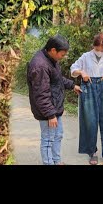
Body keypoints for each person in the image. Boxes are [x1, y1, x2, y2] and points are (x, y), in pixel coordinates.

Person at [70, 33, 103, 165]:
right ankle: (92, 152)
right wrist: (81, 73)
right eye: (97, 49)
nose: (99, 52)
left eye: (102, 50)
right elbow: (73, 69)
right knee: (89, 121)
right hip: (88, 88)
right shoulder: (85, 57)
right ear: (93, 46)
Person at [27, 35, 81, 165]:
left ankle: (56, 161)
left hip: (54, 108)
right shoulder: (39, 65)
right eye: (62, 55)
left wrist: (72, 85)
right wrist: (50, 115)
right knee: (48, 140)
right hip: (47, 111)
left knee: (57, 136)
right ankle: (49, 163)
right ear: (53, 50)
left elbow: (57, 79)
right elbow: (41, 94)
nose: (62, 57)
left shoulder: (51, 60)